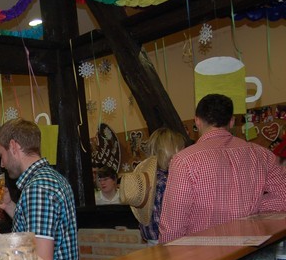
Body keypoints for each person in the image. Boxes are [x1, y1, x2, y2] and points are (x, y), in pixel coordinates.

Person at [159, 94, 286, 244]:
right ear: (231, 121)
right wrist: (254, 208)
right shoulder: (262, 154)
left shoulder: (184, 161)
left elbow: (174, 224)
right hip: (250, 247)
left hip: (203, 251)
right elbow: (283, 197)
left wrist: (168, 253)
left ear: (197, 121)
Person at [0, 118, 80, 260]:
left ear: (13, 146)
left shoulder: (37, 187)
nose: (2, 164)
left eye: (2, 155)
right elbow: (43, 227)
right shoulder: (51, 178)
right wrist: (9, 206)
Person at [120, 128, 186, 244]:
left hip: (151, 239)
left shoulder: (150, 179)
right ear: (171, 152)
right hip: (166, 241)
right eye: (182, 150)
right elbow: (173, 221)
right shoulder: (166, 182)